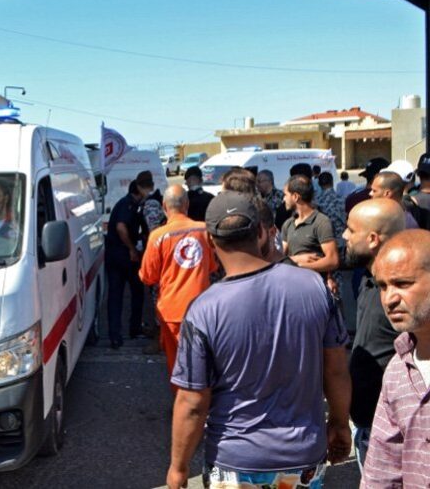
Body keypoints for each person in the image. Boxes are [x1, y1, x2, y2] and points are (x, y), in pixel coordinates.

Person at [166, 192, 350, 488]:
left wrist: (178, 468)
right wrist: (340, 424)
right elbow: (336, 370)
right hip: (303, 455)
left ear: (211, 241)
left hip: (234, 461)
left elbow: (192, 402)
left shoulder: (203, 310)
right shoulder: (314, 287)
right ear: (263, 232)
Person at [362, 230, 430, 487]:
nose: (389, 299)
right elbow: (382, 467)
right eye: (382, 286)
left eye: (403, 284)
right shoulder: (398, 369)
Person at [342, 199, 405, 470]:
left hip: (393, 432)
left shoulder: (402, 294)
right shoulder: (369, 280)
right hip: (368, 422)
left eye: (350, 230)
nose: (343, 236)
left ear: (372, 239)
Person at [138, 185, 216, 387]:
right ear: (187, 205)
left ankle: (184, 409)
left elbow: (147, 276)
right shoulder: (205, 231)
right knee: (205, 361)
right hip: (203, 308)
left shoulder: (158, 236)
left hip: (172, 311)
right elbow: (213, 266)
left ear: (164, 206)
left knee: (178, 366)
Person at [105, 181, 145, 349]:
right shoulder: (128, 205)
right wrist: (132, 249)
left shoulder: (126, 203)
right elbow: (121, 227)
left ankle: (116, 336)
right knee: (136, 291)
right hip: (123, 256)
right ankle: (133, 329)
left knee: (116, 296)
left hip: (114, 255)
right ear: (139, 190)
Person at [281, 175, 339, 275]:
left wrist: (300, 266)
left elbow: (333, 260)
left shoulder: (321, 222)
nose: (283, 199)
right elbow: (280, 258)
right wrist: (296, 259)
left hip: (315, 285)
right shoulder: (288, 224)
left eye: (285, 195)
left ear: (295, 197)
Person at [315, 172, 346, 246]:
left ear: (319, 184)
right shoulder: (341, 199)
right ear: (332, 182)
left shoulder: (316, 201)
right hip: (341, 239)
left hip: (325, 241)